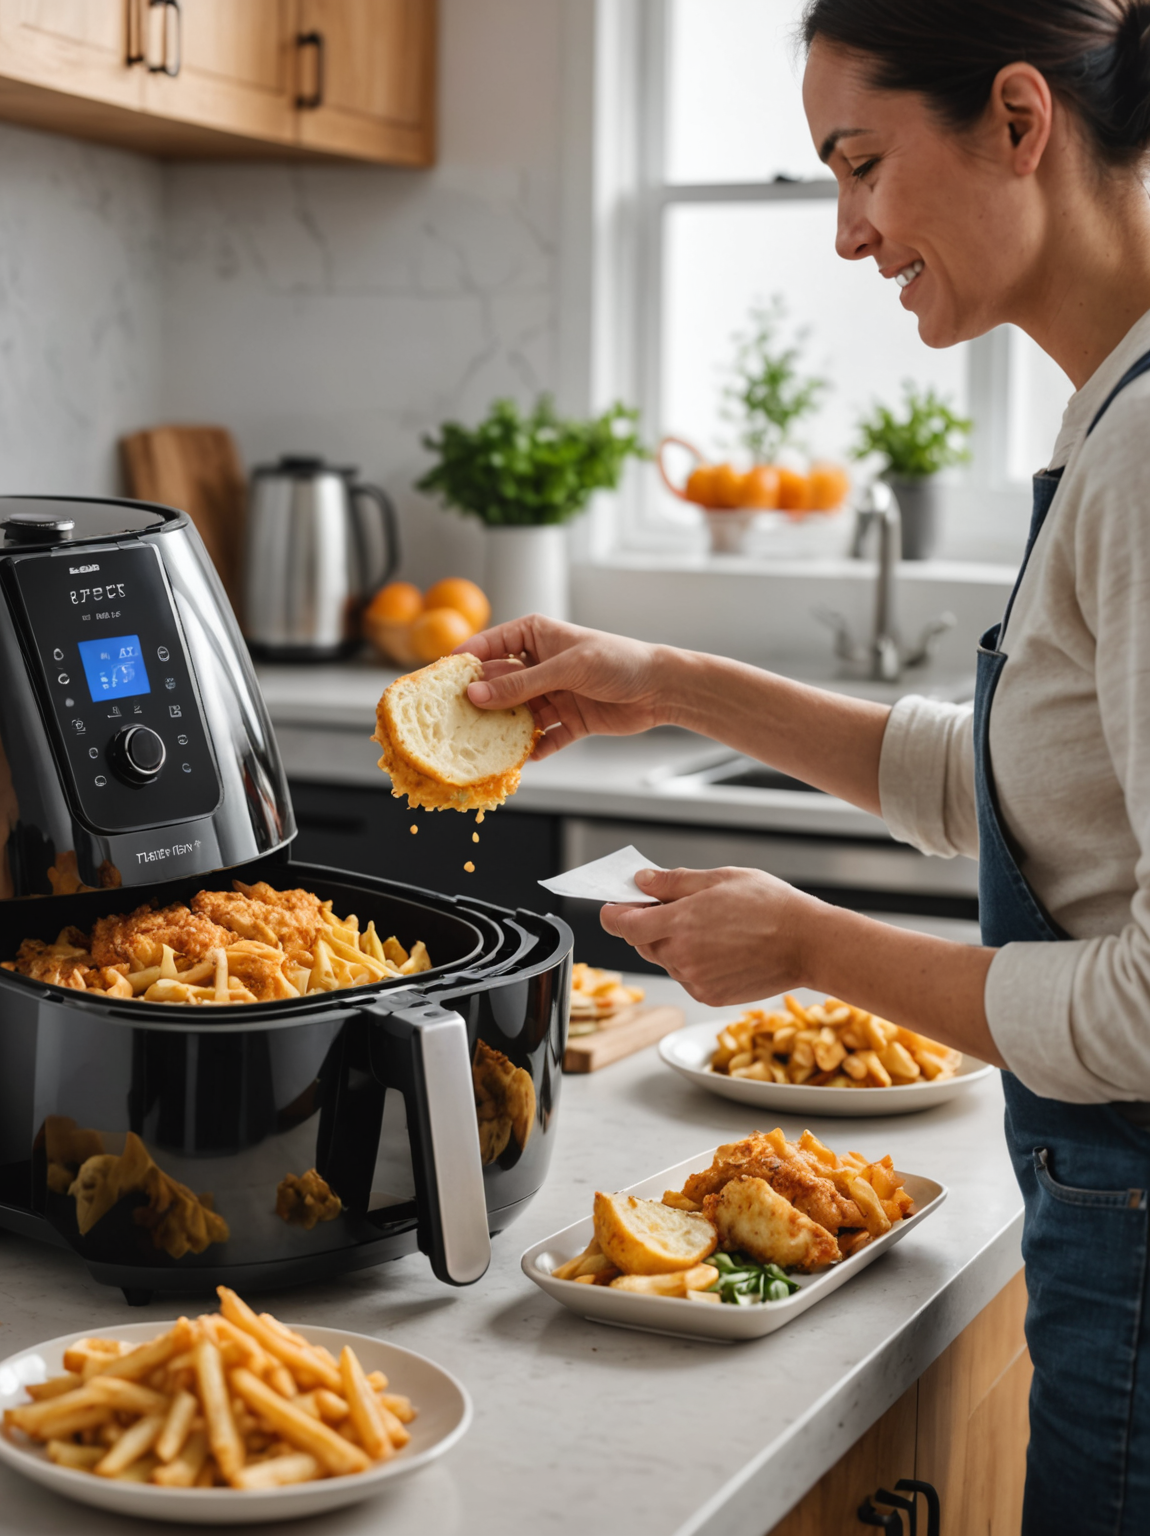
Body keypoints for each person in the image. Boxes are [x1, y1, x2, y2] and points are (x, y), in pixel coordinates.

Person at [460, 4, 1150, 1531]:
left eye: (861, 166)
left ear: (1020, 121)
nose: (849, 235)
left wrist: (807, 948)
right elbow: (1026, 799)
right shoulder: (1114, 413)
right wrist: (664, 680)